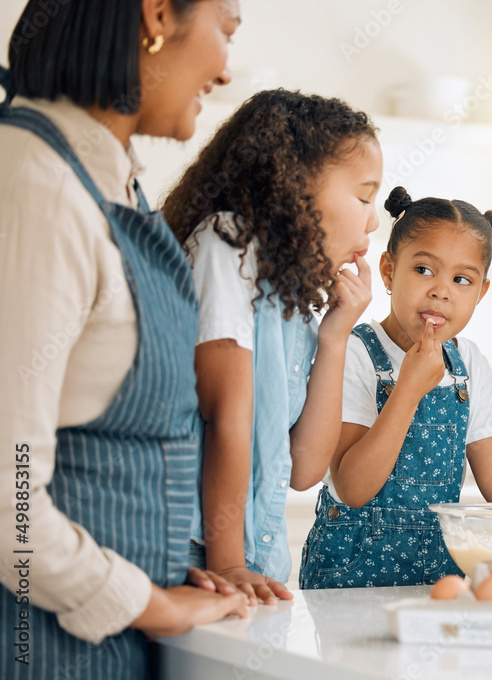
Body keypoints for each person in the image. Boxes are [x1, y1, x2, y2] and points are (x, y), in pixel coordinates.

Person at [0, 1, 250, 678]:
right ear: (158, 15)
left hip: (111, 642)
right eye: (226, 31)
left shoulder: (109, 182)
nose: (226, 73)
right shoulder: (40, 188)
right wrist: (152, 605)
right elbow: (9, 498)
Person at [162, 89, 382, 603]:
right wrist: (228, 564)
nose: (373, 221)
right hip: (199, 561)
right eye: (364, 196)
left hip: (254, 565)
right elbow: (226, 415)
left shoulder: (291, 296)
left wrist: (335, 336)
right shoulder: (226, 245)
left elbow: (305, 469)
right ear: (296, 185)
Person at [299, 186, 492, 589]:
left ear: (481, 293)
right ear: (389, 270)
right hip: (348, 579)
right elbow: (352, 488)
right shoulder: (354, 353)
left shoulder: (469, 365)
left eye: (462, 280)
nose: (441, 290)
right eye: (424, 270)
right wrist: (407, 390)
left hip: (435, 579)